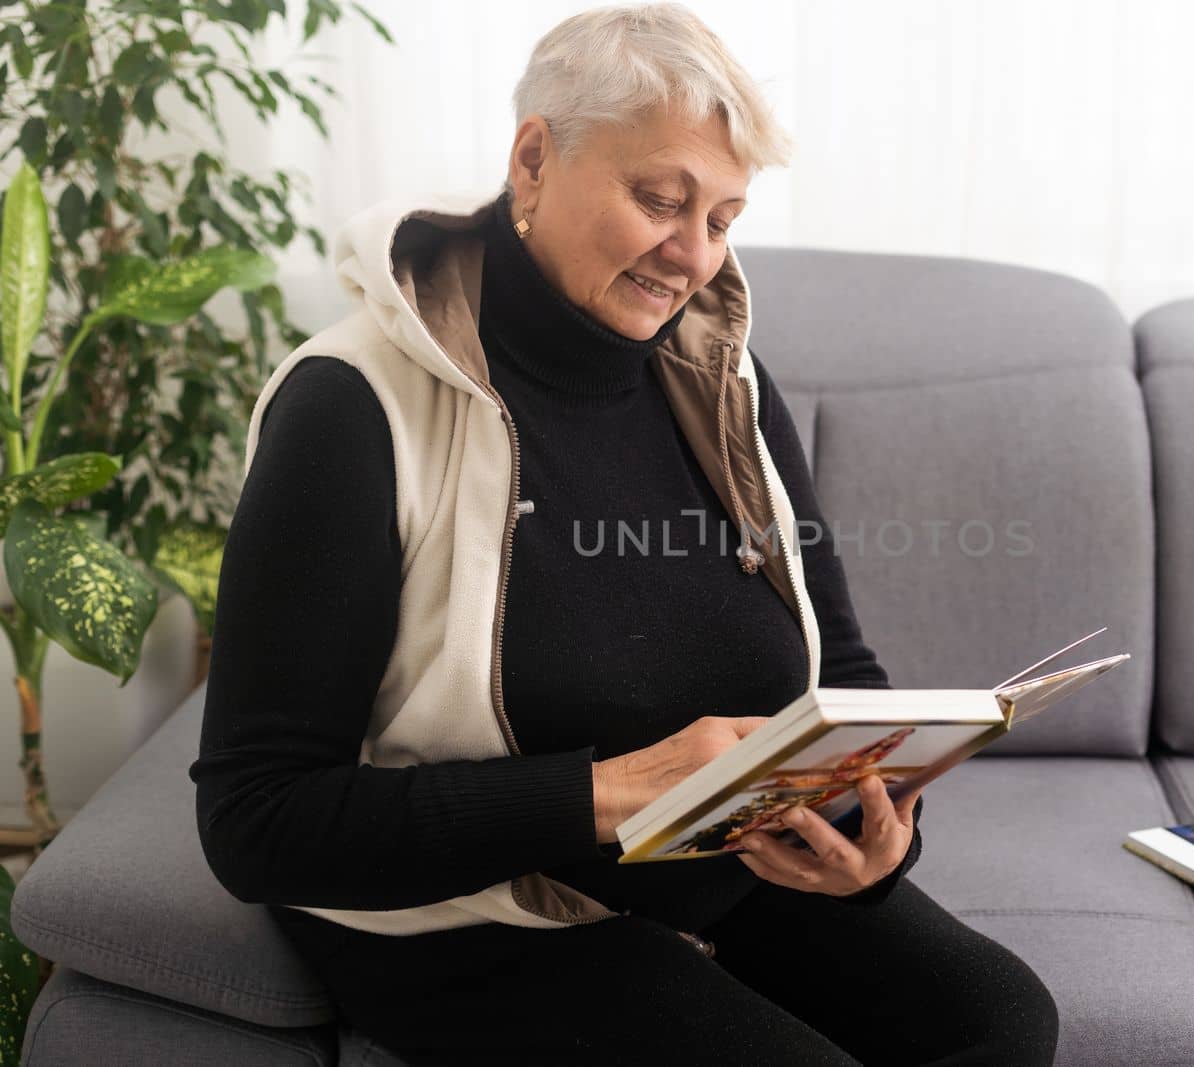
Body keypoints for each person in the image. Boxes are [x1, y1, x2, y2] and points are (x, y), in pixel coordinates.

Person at [189, 4, 1059, 1063]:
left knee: (1001, 1024)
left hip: (716, 863)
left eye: (725, 218)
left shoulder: (725, 381)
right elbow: (258, 819)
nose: (691, 256)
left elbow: (846, 670)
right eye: (660, 198)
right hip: (469, 910)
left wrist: (875, 833)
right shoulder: (350, 406)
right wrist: (613, 790)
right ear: (532, 159)